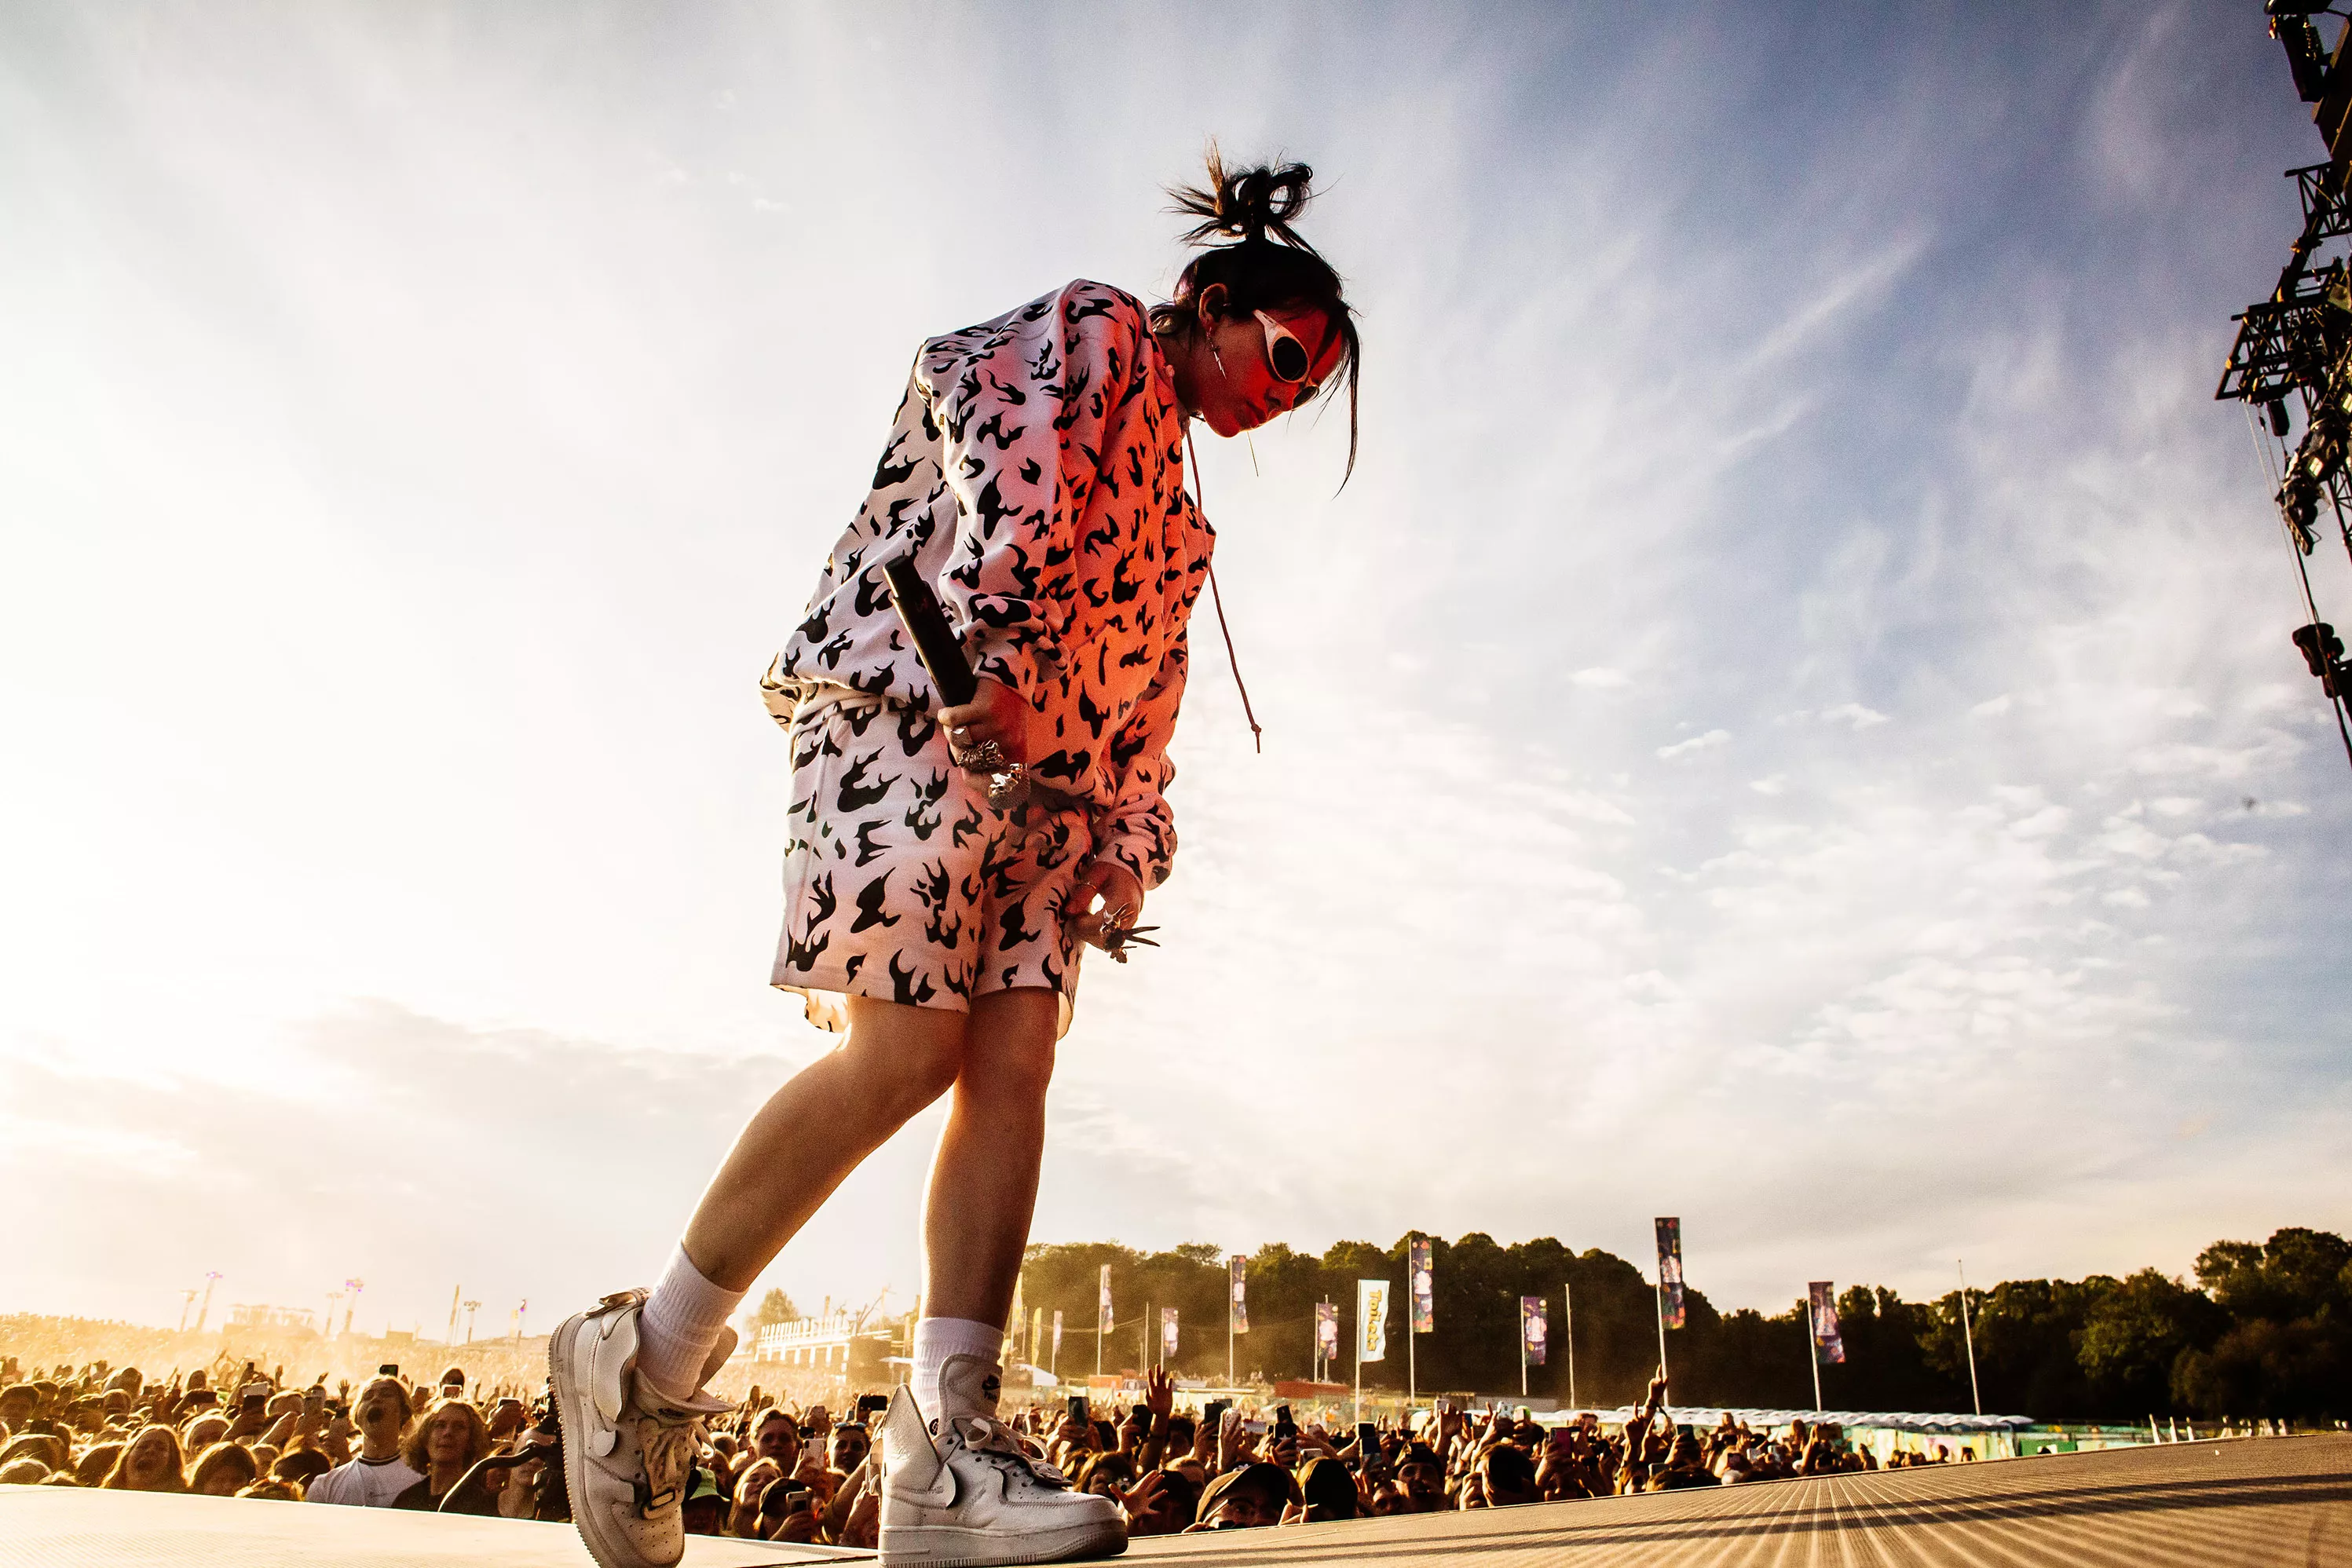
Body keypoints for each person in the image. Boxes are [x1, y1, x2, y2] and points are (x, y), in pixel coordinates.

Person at [546, 146, 1360, 1568]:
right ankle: (646, 1353)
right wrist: (1003, 653)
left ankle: (946, 1444)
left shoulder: (1183, 528)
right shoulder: (1097, 330)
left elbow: (1150, 706)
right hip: (911, 706)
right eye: (1286, 354)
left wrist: (1129, 843)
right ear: (1209, 300)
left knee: (1016, 1056)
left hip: (1045, 801)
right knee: (911, 1049)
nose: (1281, 396)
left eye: (1307, 389)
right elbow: (983, 430)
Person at [302, 1376, 422, 1508]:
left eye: (386, 1394)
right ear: (356, 1416)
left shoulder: (420, 1484)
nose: (375, 1398)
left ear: (404, 1413)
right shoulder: (325, 1486)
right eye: (367, 1396)